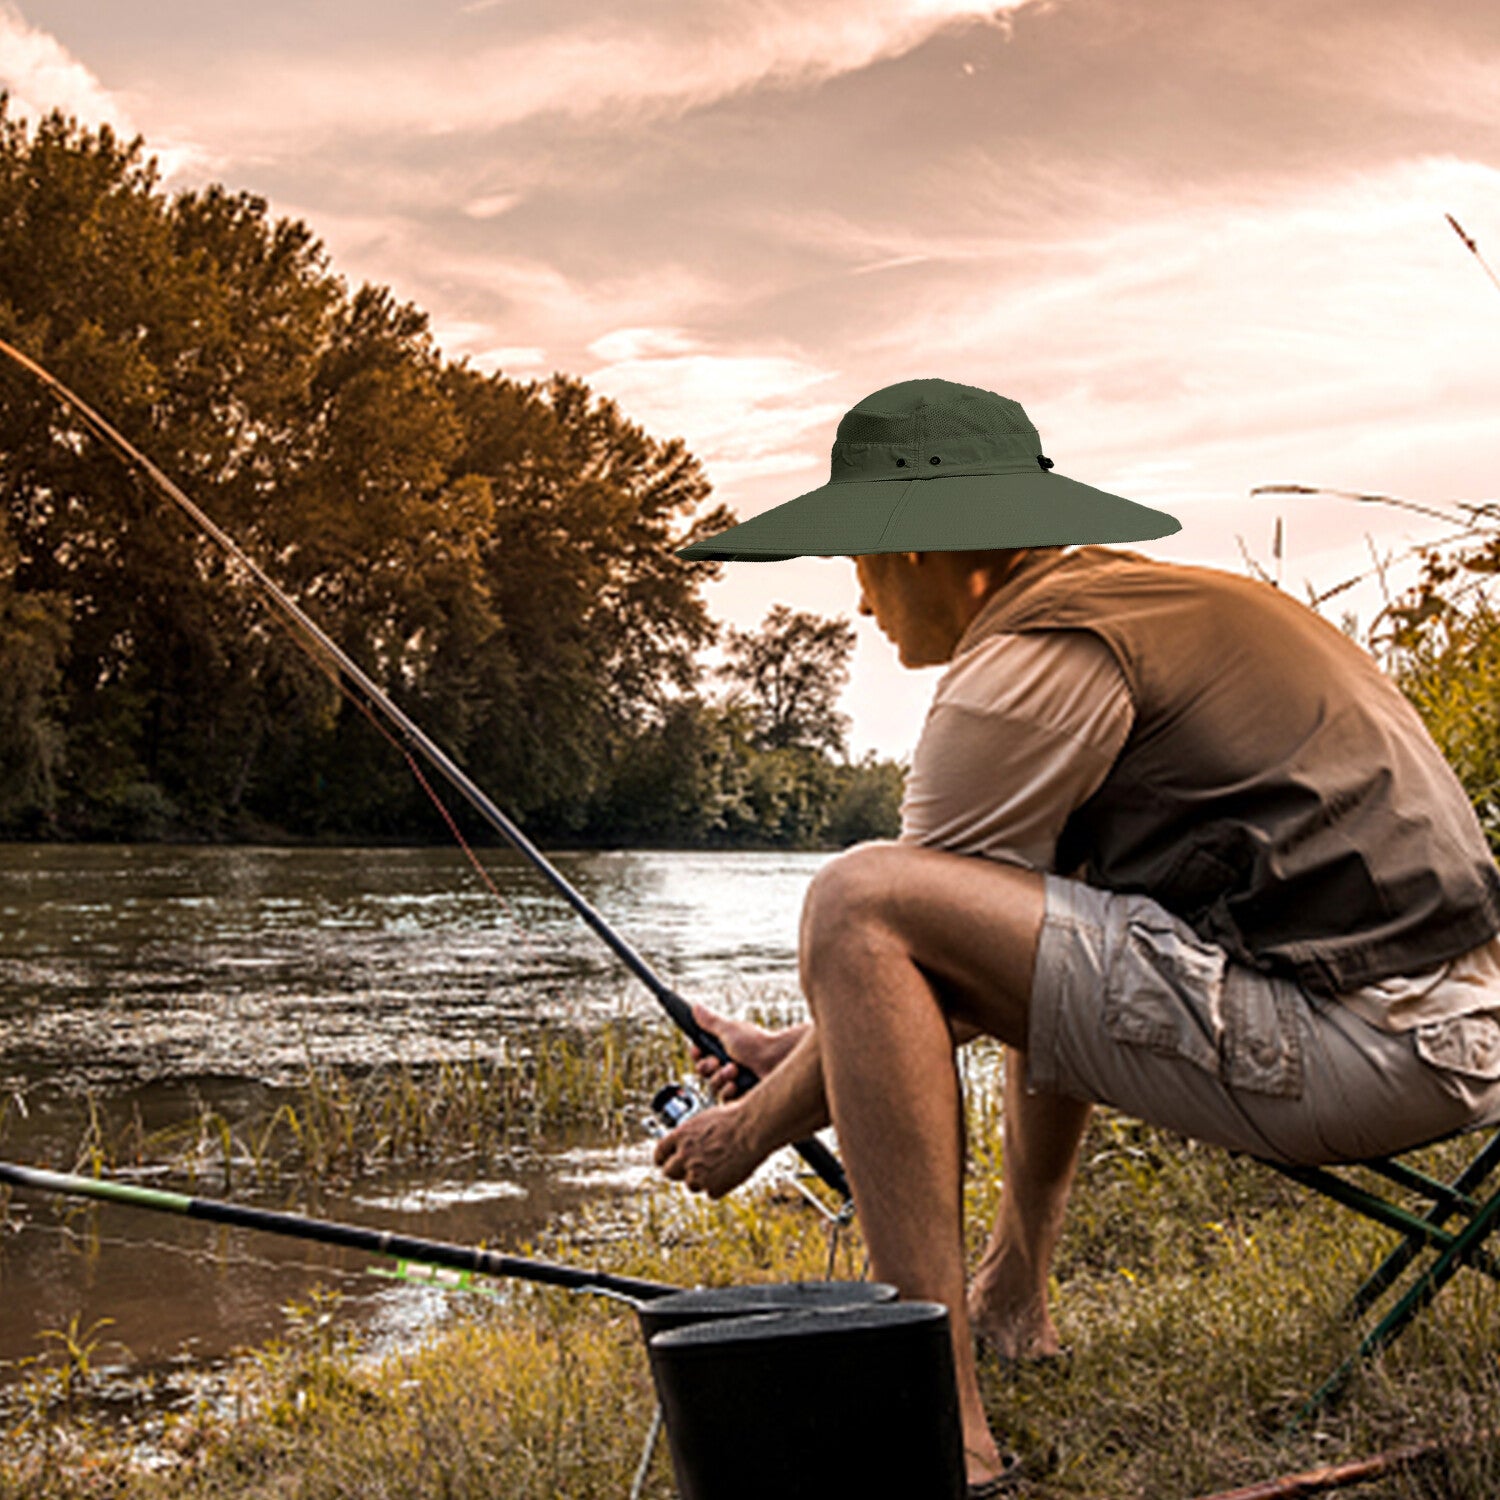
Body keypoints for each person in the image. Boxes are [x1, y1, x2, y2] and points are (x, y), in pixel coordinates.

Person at [654, 378, 1500, 1495]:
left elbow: (890, 938)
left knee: (859, 898)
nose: (860, 602)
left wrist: (751, 1127)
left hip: (1365, 1046)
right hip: (1456, 1020)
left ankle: (940, 1437)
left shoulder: (1027, 663)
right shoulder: (1165, 605)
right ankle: (1013, 1299)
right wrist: (796, 1055)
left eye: (859, 561)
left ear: (924, 551)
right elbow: (993, 952)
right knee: (1032, 893)